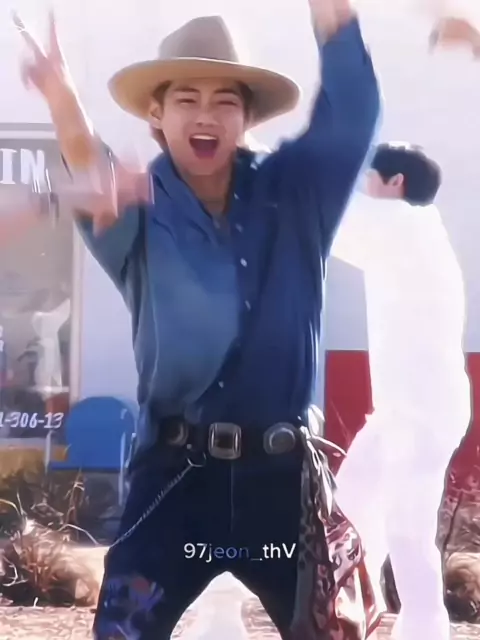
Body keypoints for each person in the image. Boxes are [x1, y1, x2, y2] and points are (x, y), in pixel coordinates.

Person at [15, 5, 380, 639]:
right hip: (175, 483)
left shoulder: (298, 192)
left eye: (224, 101)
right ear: (157, 115)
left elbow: (353, 107)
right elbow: (85, 160)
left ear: (247, 117)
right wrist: (61, 95)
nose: (206, 115)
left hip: (282, 487)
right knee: (122, 633)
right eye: (186, 99)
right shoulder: (135, 207)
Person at [332, 142, 472, 640]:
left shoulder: (403, 225)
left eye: (371, 179)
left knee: (406, 531)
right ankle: (349, 615)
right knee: (350, 510)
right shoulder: (416, 232)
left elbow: (329, 218)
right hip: (402, 409)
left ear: (396, 183)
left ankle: (425, 631)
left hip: (422, 411)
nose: (366, 188)